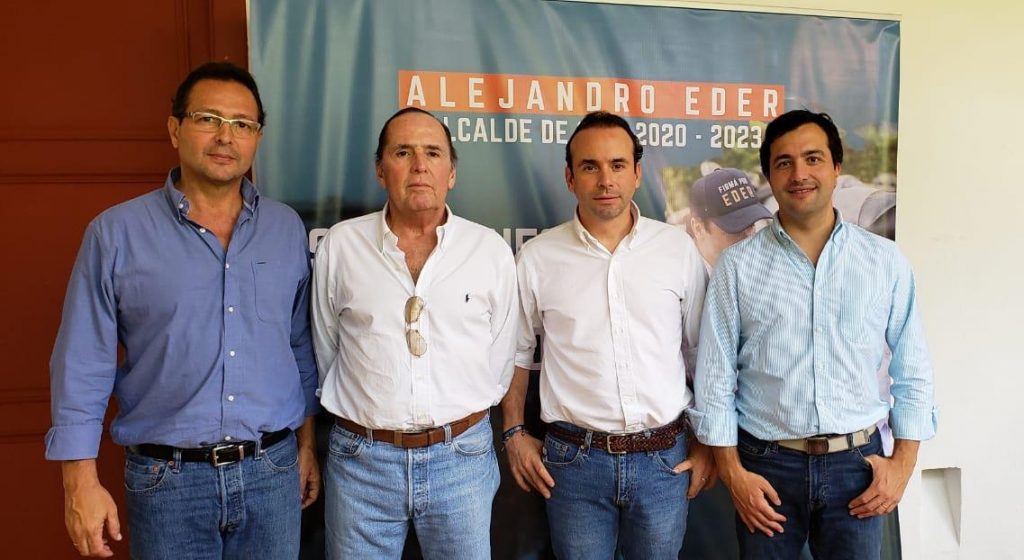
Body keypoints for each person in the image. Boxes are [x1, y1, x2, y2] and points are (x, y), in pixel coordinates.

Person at [46, 61, 320, 559]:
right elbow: (82, 361)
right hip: (168, 483)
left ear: (257, 138)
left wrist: (305, 447)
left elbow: (298, 345)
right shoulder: (116, 234)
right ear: (174, 129)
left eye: (242, 124)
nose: (225, 136)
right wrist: (78, 481)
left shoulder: (285, 229)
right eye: (208, 119)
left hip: (273, 472)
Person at [692, 109, 937, 559]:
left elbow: (914, 368)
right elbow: (715, 378)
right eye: (784, 163)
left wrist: (903, 464)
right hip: (767, 468)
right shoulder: (737, 266)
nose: (799, 174)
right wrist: (732, 473)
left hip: (858, 469)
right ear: (769, 175)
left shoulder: (884, 261)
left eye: (813, 158)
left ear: (837, 167)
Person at [501, 111, 715, 559]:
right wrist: (514, 432)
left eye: (617, 165)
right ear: (569, 177)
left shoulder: (677, 249)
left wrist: (707, 442)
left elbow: (701, 351)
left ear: (637, 173)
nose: (605, 180)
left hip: (665, 459)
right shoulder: (537, 258)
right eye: (590, 166)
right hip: (574, 464)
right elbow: (516, 354)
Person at [311, 107, 518, 559]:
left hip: (462, 459)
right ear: (380, 169)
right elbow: (327, 351)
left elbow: (500, 359)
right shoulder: (341, 246)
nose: (420, 165)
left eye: (433, 153)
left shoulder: (489, 251)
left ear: (452, 172)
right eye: (403, 152)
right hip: (362, 463)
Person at [687, 167, 772, 271]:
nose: (750, 238)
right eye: (735, 228)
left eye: (751, 225)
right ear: (698, 228)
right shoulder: (681, 276)